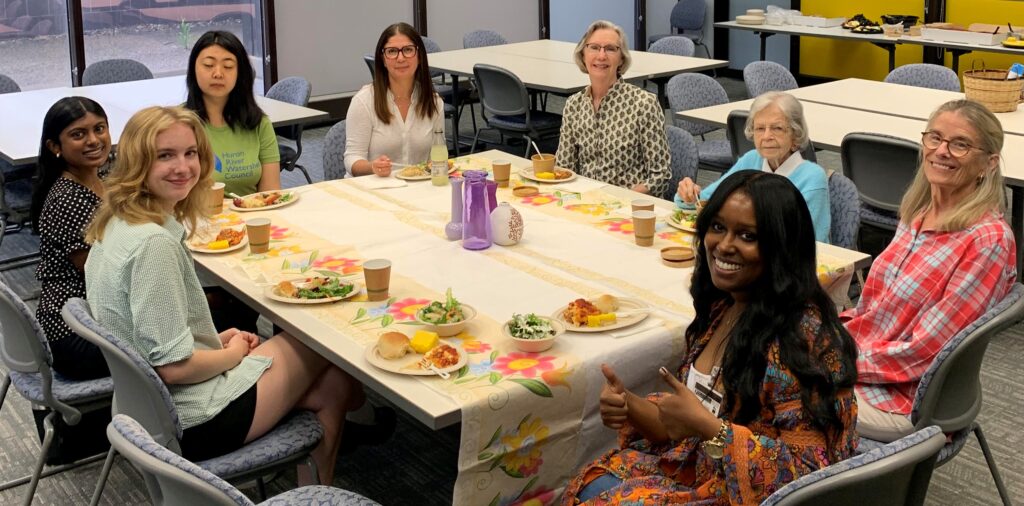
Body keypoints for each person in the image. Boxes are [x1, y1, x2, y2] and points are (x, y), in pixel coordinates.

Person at [84, 106, 361, 485]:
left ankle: (317, 490)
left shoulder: (118, 222)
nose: (183, 166)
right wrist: (229, 354)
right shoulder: (152, 245)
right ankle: (340, 449)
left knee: (335, 386)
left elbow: (149, 332)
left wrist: (213, 342)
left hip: (142, 409)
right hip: (194, 418)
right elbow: (173, 367)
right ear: (138, 162)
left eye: (190, 153)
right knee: (324, 335)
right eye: (165, 155)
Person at [563, 171, 859, 505]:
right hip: (701, 467)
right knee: (588, 482)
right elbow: (682, 426)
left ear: (782, 248)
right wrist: (629, 404)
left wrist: (712, 430)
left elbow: (812, 475)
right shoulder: (723, 306)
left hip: (750, 496)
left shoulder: (802, 339)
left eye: (747, 235)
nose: (724, 245)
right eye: (717, 227)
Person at [841, 99, 1016, 442]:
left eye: (960, 144)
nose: (942, 151)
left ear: (989, 163)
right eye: (934, 138)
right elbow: (874, 309)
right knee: (762, 349)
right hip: (871, 357)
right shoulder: (918, 212)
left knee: (774, 387)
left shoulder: (987, 241)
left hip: (908, 396)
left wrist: (836, 363)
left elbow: (927, 351)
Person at [675, 92, 831, 243]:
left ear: (796, 135)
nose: (766, 137)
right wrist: (688, 194)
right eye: (760, 128)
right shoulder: (751, 160)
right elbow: (706, 200)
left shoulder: (812, 179)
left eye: (777, 128)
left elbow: (810, 244)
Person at [29, 96, 112, 380]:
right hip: (75, 332)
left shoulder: (99, 177)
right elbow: (98, 274)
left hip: (94, 316)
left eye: (99, 128)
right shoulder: (68, 198)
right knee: (208, 319)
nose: (93, 140)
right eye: (78, 134)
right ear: (55, 147)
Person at [555, 20, 670, 197]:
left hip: (628, 208)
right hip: (584, 204)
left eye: (610, 49)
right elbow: (564, 168)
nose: (601, 56)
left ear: (621, 58)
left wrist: (620, 199)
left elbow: (660, 177)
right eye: (594, 47)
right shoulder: (574, 105)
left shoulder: (643, 104)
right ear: (583, 54)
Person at [185, 30, 280, 196]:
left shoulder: (258, 122)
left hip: (249, 217)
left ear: (240, 73)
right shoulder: (177, 124)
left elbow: (270, 194)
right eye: (208, 65)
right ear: (193, 69)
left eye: (228, 66)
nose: (218, 73)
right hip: (195, 218)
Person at [344, 22, 445, 178]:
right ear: (383, 59)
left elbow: (438, 154)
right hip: (374, 188)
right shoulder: (364, 101)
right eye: (392, 51)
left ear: (419, 56)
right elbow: (352, 158)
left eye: (408, 50)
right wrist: (372, 167)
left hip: (418, 188)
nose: (400, 58)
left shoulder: (434, 102)